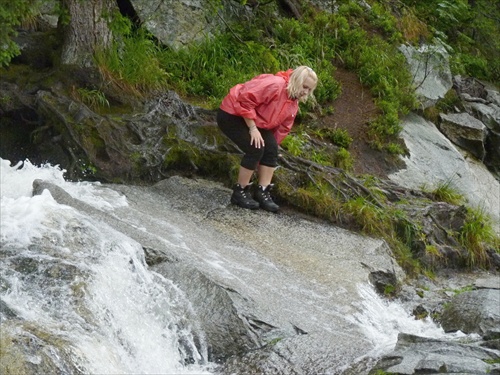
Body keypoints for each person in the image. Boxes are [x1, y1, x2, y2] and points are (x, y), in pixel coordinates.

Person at [217, 65, 318, 212]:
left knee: (270, 148)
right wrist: (252, 129)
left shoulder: (293, 103)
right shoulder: (275, 84)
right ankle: (240, 191)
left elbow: (281, 130)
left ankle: (262, 192)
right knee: (255, 147)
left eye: (309, 89)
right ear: (296, 80)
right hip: (232, 114)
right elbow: (245, 100)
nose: (306, 92)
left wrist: (269, 153)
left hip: (254, 121)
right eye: (304, 86)